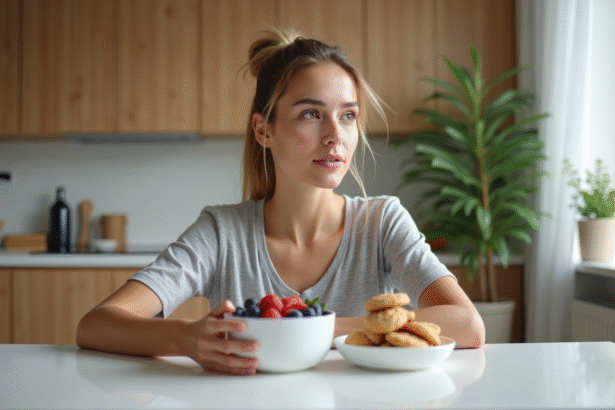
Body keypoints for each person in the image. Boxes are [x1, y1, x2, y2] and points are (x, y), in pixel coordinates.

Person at [77, 29, 485, 376]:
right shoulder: (222, 233)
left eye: (347, 116)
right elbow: (95, 326)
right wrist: (184, 337)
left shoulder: (382, 222)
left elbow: (466, 324)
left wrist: (312, 329)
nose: (335, 136)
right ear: (263, 130)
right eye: (311, 114)